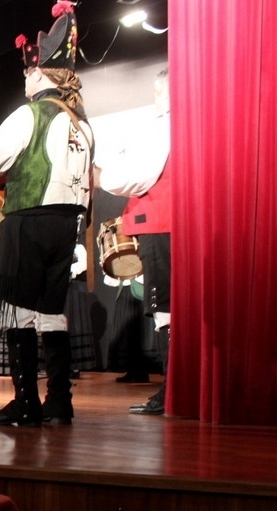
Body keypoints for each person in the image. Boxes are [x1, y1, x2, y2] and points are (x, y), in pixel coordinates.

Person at [0, 2, 93, 426]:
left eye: (27, 72)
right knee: (52, 311)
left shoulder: (31, 113)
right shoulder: (84, 123)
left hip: (30, 220)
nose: (24, 78)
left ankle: (25, 402)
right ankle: (60, 400)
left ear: (42, 74)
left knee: (19, 310)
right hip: (66, 225)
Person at [95, 70, 171, 416]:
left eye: (157, 92)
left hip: (164, 224)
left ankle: (172, 392)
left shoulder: (164, 125)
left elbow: (134, 175)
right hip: (179, 224)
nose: (156, 100)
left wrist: (105, 173)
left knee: (167, 311)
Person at [65, 242, 97, 376]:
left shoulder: (78, 248)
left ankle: (75, 366)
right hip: (60, 291)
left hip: (74, 291)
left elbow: (84, 264)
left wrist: (68, 270)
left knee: (75, 325)